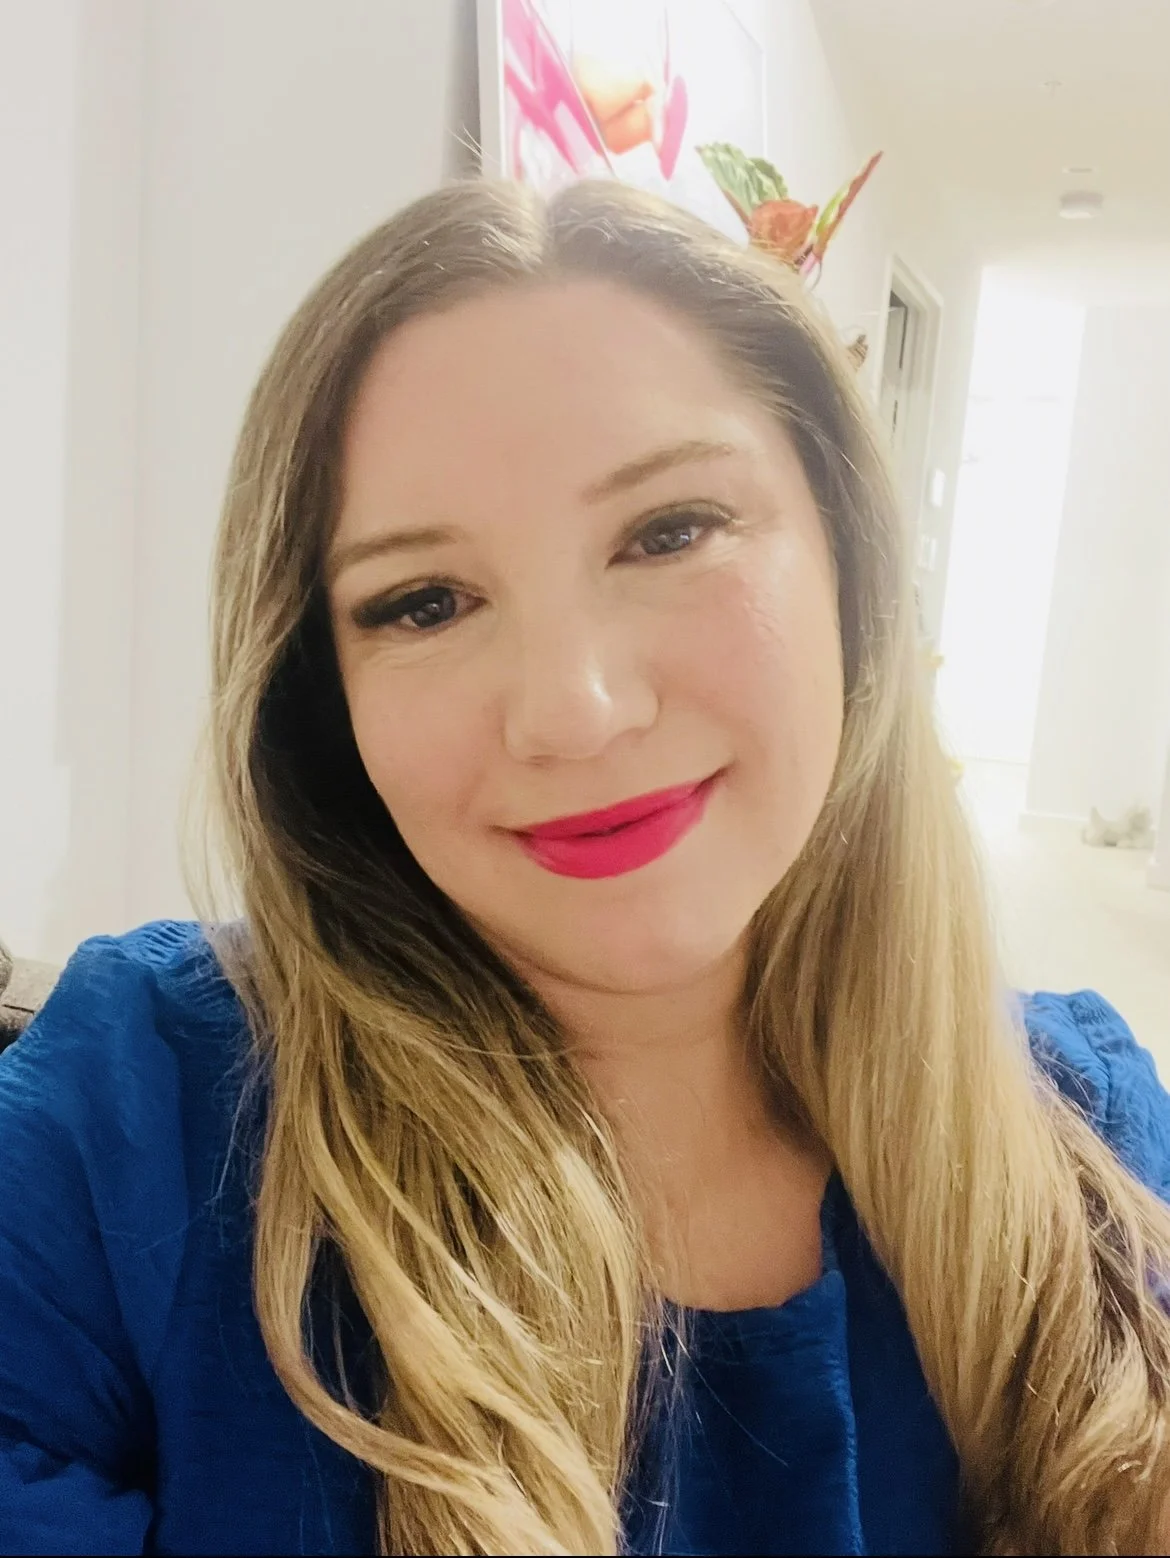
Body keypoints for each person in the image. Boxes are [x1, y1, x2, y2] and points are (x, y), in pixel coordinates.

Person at [1, 179, 1168, 1558]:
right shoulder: (132, 1116)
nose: (573, 708)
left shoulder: (1087, 1130)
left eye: (669, 530)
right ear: (327, 695)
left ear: (852, 562)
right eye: (422, 602)